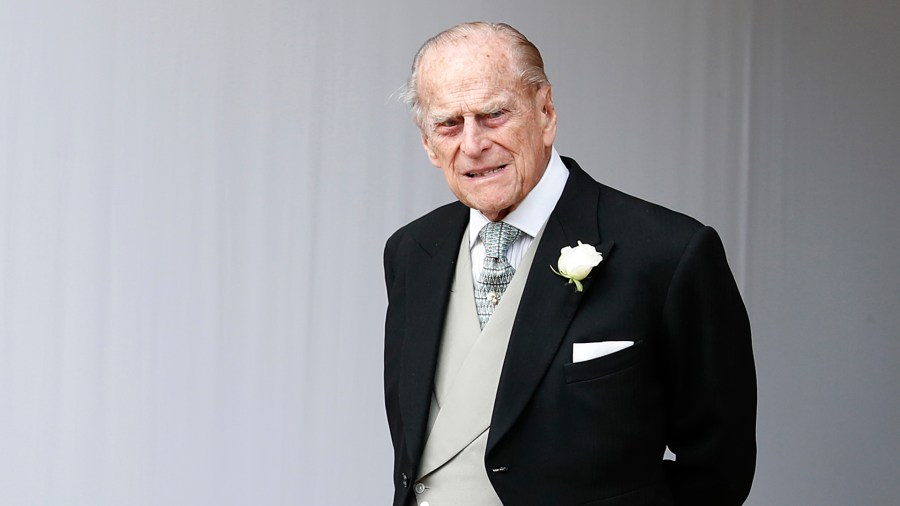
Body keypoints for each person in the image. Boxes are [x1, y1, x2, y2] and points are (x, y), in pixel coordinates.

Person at [383, 22, 756, 506]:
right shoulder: (411, 252)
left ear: (545, 111)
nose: (472, 144)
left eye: (494, 115)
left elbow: (719, 469)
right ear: (428, 142)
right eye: (448, 124)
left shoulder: (669, 252)